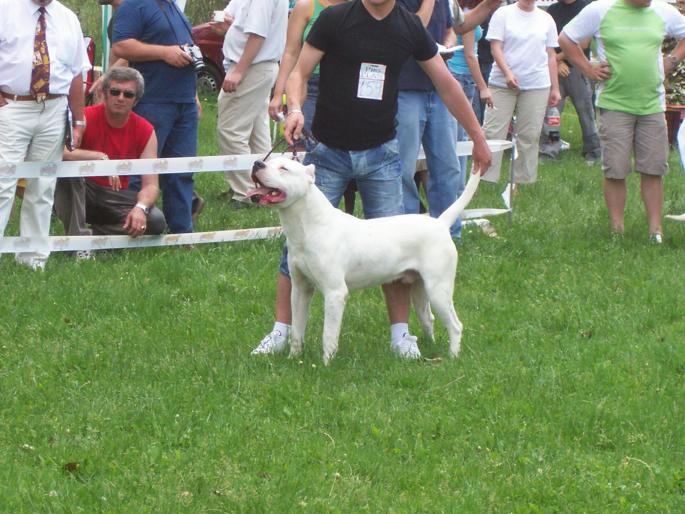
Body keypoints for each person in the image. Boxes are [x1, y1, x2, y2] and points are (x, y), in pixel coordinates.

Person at [251, 0, 492, 359]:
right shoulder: (335, 18)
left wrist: (477, 136)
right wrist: (296, 107)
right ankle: (281, 332)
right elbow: (299, 72)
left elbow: (445, 83)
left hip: (382, 153)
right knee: (296, 248)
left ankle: (401, 336)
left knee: (395, 250)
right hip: (328, 151)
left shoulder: (408, 26)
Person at [559, 0, 685, 243]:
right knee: (616, 169)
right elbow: (566, 39)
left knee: (653, 168)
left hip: (652, 105)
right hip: (614, 104)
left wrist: (671, 60)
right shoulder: (600, 9)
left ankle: (655, 231)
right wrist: (587, 68)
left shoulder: (662, 10)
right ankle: (617, 230)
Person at [396, 0, 499, 241]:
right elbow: (414, 28)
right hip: (405, 86)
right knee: (403, 168)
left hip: (439, 88)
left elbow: (460, 25)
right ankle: (407, 238)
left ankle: (448, 235)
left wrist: (490, 5)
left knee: (448, 167)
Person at [0, 0, 90, 271]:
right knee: (2, 184)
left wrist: (79, 119)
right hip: (12, 106)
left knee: (43, 186)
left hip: (54, 108)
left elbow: (76, 74)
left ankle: (33, 260)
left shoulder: (68, 18)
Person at [112, 0, 202, 234]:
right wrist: (163, 53)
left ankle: (182, 233)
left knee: (182, 171)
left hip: (184, 102)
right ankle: (129, 228)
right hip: (153, 100)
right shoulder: (134, 5)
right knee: (141, 170)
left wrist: (194, 95)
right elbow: (121, 45)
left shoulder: (172, 6)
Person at [55, 67, 166, 244]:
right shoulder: (84, 118)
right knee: (68, 175)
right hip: (82, 191)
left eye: (128, 94)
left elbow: (151, 185)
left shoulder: (146, 130)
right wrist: (99, 157)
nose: (121, 98)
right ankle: (78, 242)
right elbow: (60, 152)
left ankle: (97, 234)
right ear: (104, 94)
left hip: (116, 196)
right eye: (115, 92)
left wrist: (140, 208)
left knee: (156, 221)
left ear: (136, 100)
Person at [212, 0, 288, 208]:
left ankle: (246, 193)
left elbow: (258, 34)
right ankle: (267, 188)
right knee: (256, 132)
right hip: (260, 67)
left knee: (231, 129)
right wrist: (230, 26)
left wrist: (238, 70)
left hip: (251, 67)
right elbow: (250, 26)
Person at [480, 0, 560, 185]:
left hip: (537, 85)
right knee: (493, 132)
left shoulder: (546, 19)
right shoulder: (503, 14)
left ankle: (523, 180)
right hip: (502, 84)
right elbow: (495, 47)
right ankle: (486, 178)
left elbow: (551, 56)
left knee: (529, 135)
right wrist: (508, 73)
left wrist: (555, 88)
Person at [268, 0, 348, 150]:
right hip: (309, 86)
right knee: (305, 145)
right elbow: (290, 53)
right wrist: (278, 94)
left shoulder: (362, 7)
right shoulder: (306, 5)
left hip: (346, 88)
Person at [539, 0, 601, 164]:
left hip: (579, 69)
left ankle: (593, 150)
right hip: (555, 70)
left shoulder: (586, 7)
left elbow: (583, 42)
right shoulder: (552, 10)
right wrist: (556, 64)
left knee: (585, 111)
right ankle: (550, 147)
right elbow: (547, 41)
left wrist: (558, 59)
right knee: (552, 114)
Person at [447, 0, 493, 177]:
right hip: (460, 76)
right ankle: (459, 183)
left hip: (461, 76)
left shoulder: (466, 11)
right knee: (461, 137)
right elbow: (470, 55)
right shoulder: (466, 14)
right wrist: (483, 87)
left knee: (460, 135)